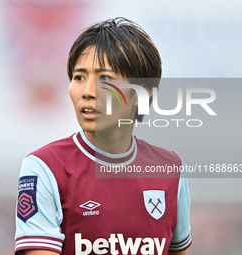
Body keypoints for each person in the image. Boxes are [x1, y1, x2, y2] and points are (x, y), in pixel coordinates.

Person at [15, 17, 192, 255]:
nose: (88, 92)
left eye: (105, 79)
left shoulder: (170, 170)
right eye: (79, 77)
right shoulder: (44, 168)